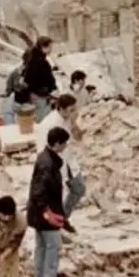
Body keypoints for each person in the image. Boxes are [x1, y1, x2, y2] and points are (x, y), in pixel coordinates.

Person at [27, 126, 70, 277]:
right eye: (64, 143)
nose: (65, 146)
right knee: (53, 246)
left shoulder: (45, 159)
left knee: (42, 247)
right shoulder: (48, 164)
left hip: (39, 213)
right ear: (57, 143)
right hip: (46, 213)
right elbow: (40, 191)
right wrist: (47, 213)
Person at [35, 93, 84, 236]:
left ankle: (63, 218)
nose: (73, 112)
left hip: (68, 160)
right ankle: (56, 226)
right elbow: (42, 147)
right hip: (55, 164)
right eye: (71, 110)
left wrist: (74, 123)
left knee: (79, 188)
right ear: (61, 108)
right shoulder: (49, 124)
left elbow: (78, 137)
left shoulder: (68, 119)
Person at [22, 36, 57, 120]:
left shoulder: (39, 59)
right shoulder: (37, 61)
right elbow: (29, 79)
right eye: (49, 47)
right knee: (41, 120)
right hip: (39, 95)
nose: (51, 49)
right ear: (43, 47)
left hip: (40, 94)